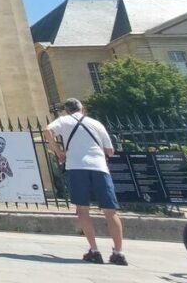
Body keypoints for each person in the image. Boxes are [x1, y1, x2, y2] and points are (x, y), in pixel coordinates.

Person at [43, 98, 127, 266]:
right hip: (100, 168)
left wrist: (58, 150)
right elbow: (110, 151)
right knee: (110, 211)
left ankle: (94, 250)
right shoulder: (96, 124)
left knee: (82, 209)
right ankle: (118, 253)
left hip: (77, 167)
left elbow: (46, 130)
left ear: (66, 110)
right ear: (83, 109)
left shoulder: (64, 120)